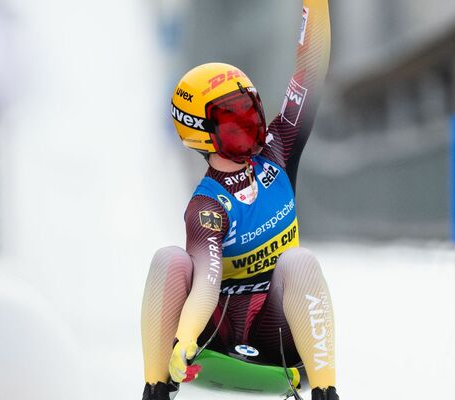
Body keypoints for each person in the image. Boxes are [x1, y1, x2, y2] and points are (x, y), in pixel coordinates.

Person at [140, 1, 337, 399]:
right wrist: (185, 339)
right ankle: (157, 384)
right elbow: (206, 283)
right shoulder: (207, 205)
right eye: (233, 120)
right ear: (201, 133)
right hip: (212, 343)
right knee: (169, 259)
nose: (249, 125)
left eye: (250, 111)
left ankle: (327, 389)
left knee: (300, 262)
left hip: (279, 340)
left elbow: (309, 73)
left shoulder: (279, 148)